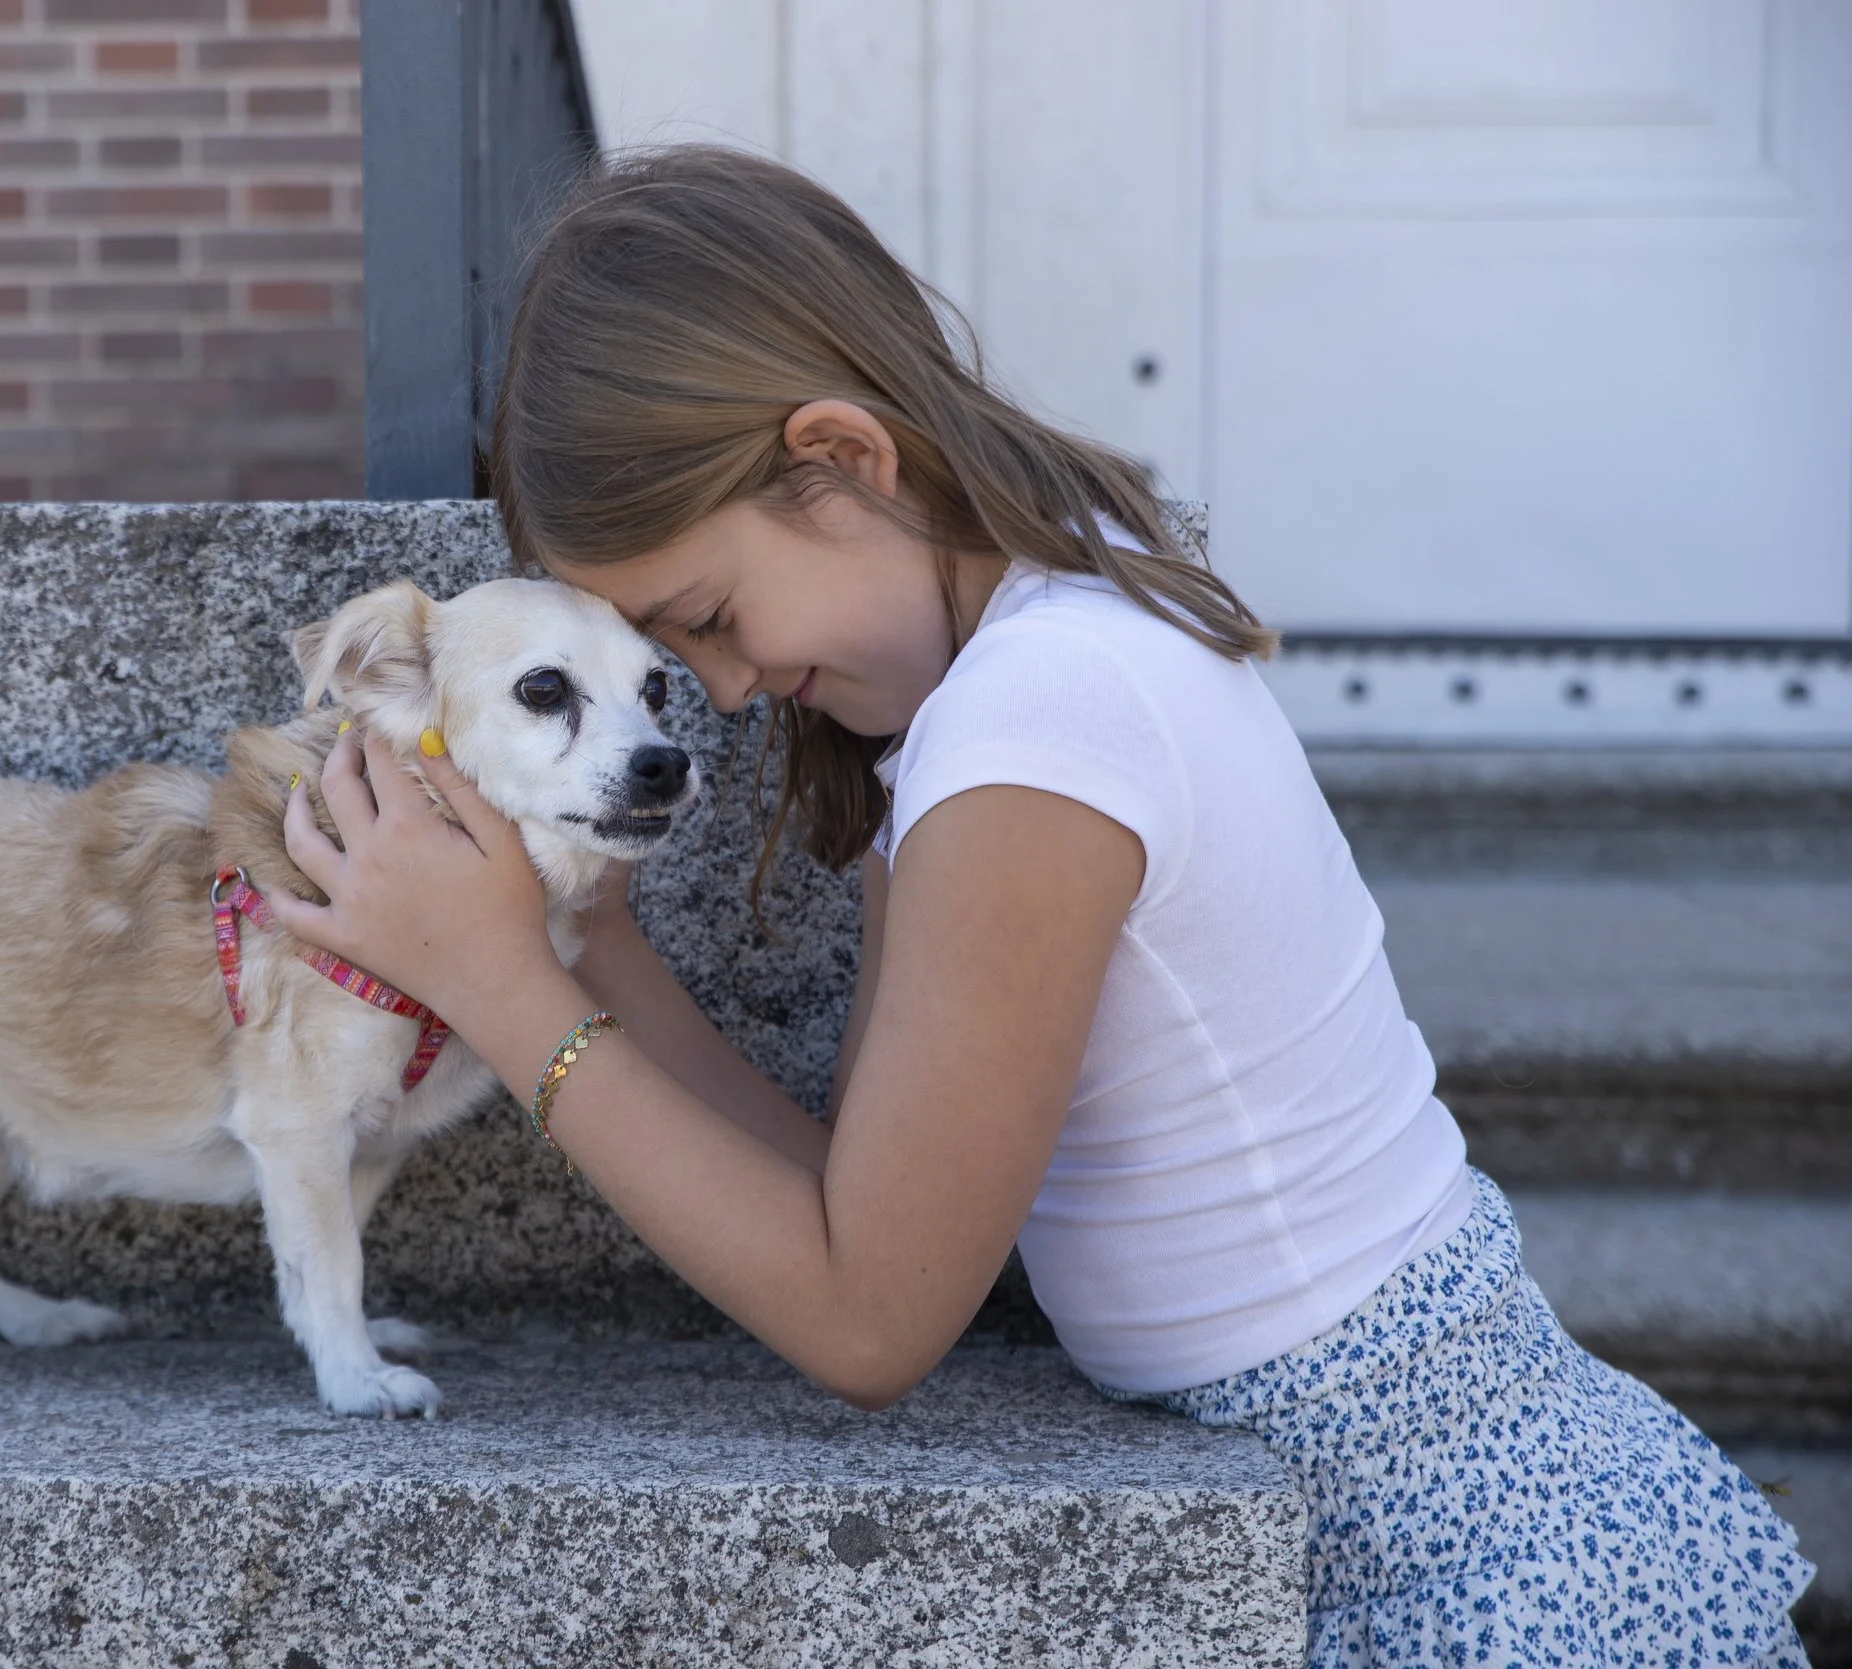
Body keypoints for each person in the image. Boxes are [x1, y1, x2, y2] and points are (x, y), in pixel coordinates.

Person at [269, 146, 1813, 1668]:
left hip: (1449, 1538)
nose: (725, 693)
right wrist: (585, 939)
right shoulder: (1019, 667)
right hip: (1386, 1490)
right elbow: (847, 1191)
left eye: (711, 623)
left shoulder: (1039, 731)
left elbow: (869, 1316)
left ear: (843, 458)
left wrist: (501, 992)